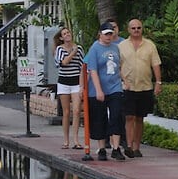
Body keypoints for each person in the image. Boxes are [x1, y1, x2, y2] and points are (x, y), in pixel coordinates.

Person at [119, 18, 162, 158]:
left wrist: (158, 82)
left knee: (139, 118)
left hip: (145, 86)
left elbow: (155, 64)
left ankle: (137, 147)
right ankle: (129, 146)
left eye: (139, 28)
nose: (136, 30)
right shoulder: (121, 46)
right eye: (133, 28)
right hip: (128, 87)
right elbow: (117, 66)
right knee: (129, 116)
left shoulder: (150, 45)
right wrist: (123, 80)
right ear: (128, 30)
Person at [84, 21, 126, 161]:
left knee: (116, 114)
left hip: (114, 87)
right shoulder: (95, 49)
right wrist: (98, 90)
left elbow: (119, 66)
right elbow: (93, 70)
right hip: (98, 89)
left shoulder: (116, 48)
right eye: (106, 34)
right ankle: (102, 148)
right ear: (100, 35)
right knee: (99, 118)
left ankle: (116, 148)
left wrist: (124, 80)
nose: (109, 37)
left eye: (111, 34)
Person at [54, 27, 85, 149]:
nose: (67, 35)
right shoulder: (59, 49)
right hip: (64, 82)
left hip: (76, 82)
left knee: (77, 111)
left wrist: (82, 85)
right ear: (61, 38)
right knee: (66, 112)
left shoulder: (80, 49)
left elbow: (83, 66)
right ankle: (66, 140)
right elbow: (63, 62)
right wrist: (73, 52)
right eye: (64, 34)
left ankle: (76, 140)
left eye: (68, 33)